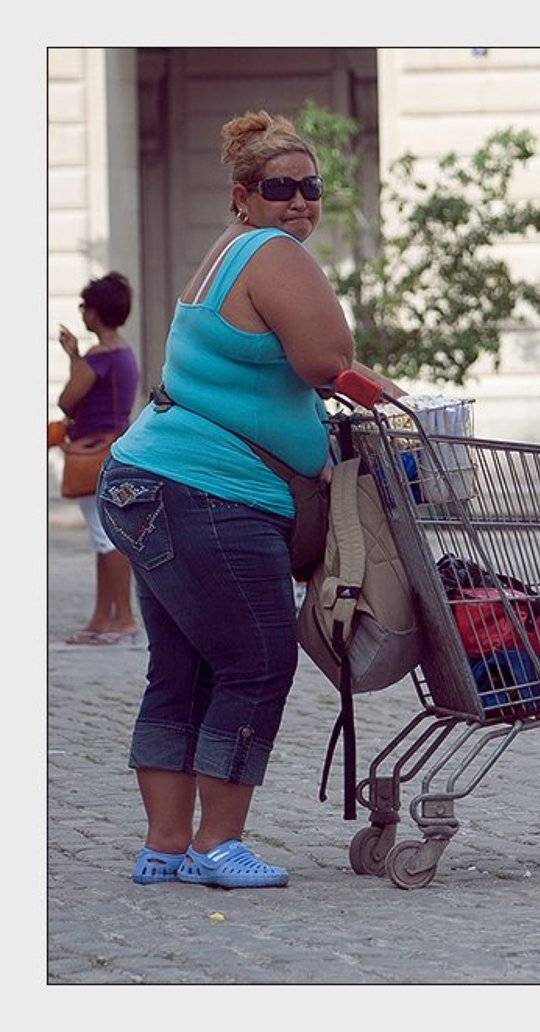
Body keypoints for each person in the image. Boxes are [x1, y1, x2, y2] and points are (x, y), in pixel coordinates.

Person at [100, 110, 405, 888]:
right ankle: (217, 844)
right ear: (245, 196)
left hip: (150, 483)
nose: (301, 202)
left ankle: (165, 846)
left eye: (312, 187)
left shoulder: (228, 254)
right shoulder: (273, 253)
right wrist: (392, 399)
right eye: (281, 188)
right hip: (208, 492)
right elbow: (326, 360)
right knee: (258, 659)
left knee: (182, 667)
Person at [56, 272, 142, 645]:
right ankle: (101, 617)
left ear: (94, 312)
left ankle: (121, 617)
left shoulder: (100, 356)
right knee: (103, 536)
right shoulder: (124, 352)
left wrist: (74, 355)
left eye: (84, 307)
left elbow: (67, 399)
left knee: (106, 537)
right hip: (113, 447)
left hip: (93, 451)